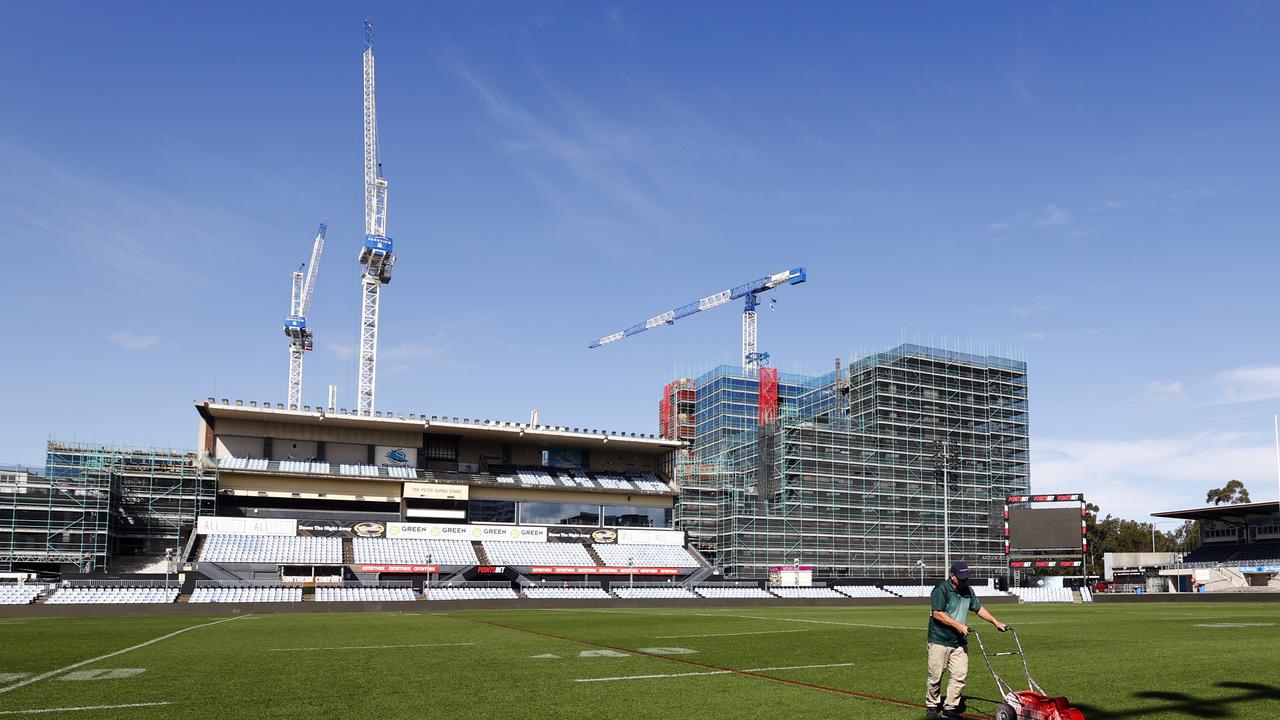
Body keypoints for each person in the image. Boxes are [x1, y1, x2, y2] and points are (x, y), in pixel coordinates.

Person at [925, 561, 1008, 720]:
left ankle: (950, 707)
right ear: (952, 576)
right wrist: (958, 625)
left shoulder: (968, 590)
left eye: (966, 578)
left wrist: (995, 622)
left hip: (959, 642)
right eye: (961, 578)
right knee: (935, 676)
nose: (965, 581)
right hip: (939, 639)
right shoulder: (941, 589)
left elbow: (978, 608)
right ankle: (932, 705)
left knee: (959, 675)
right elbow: (937, 613)